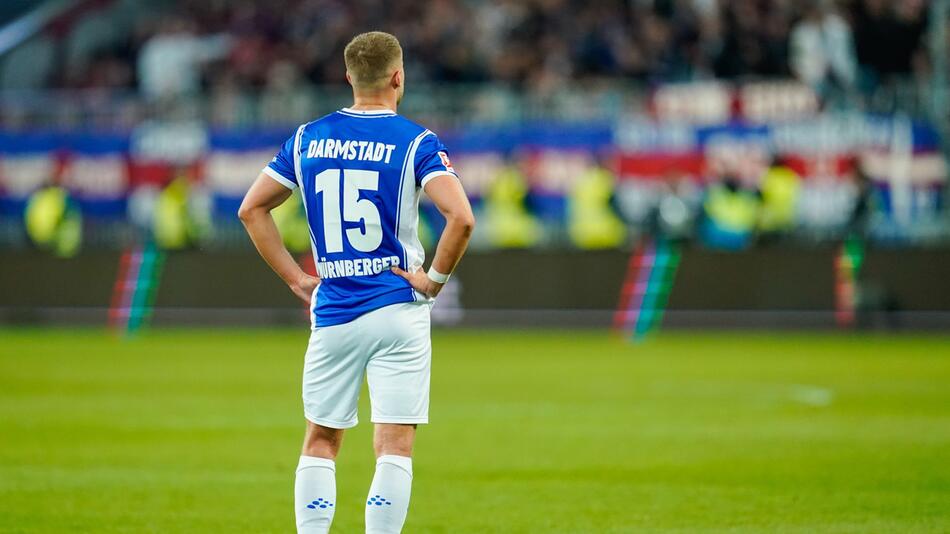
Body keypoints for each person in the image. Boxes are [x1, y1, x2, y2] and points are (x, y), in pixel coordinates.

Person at [238, 31, 475, 534]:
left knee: (321, 439)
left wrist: (298, 280)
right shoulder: (416, 141)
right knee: (395, 443)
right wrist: (433, 280)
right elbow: (461, 218)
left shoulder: (307, 138)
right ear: (398, 76)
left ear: (349, 77)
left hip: (335, 309)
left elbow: (251, 209)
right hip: (398, 306)